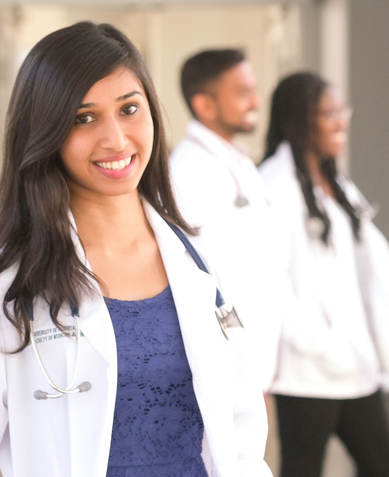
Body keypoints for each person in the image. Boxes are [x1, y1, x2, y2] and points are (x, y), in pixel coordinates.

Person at [0, 22, 270, 477]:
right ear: (45, 133)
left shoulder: (197, 260)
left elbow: (240, 435)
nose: (116, 139)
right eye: (84, 118)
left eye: (129, 109)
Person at [258, 71, 389, 477]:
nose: (341, 121)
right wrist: (322, 343)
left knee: (384, 463)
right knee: (304, 468)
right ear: (300, 120)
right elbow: (269, 283)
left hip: (354, 363)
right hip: (309, 369)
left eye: (341, 110)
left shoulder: (334, 182)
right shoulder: (275, 186)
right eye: (329, 113)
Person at [168, 49, 284, 393]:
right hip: (225, 364)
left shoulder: (238, 162)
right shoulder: (187, 171)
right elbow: (194, 276)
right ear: (205, 105)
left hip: (255, 358)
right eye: (243, 92)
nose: (256, 101)